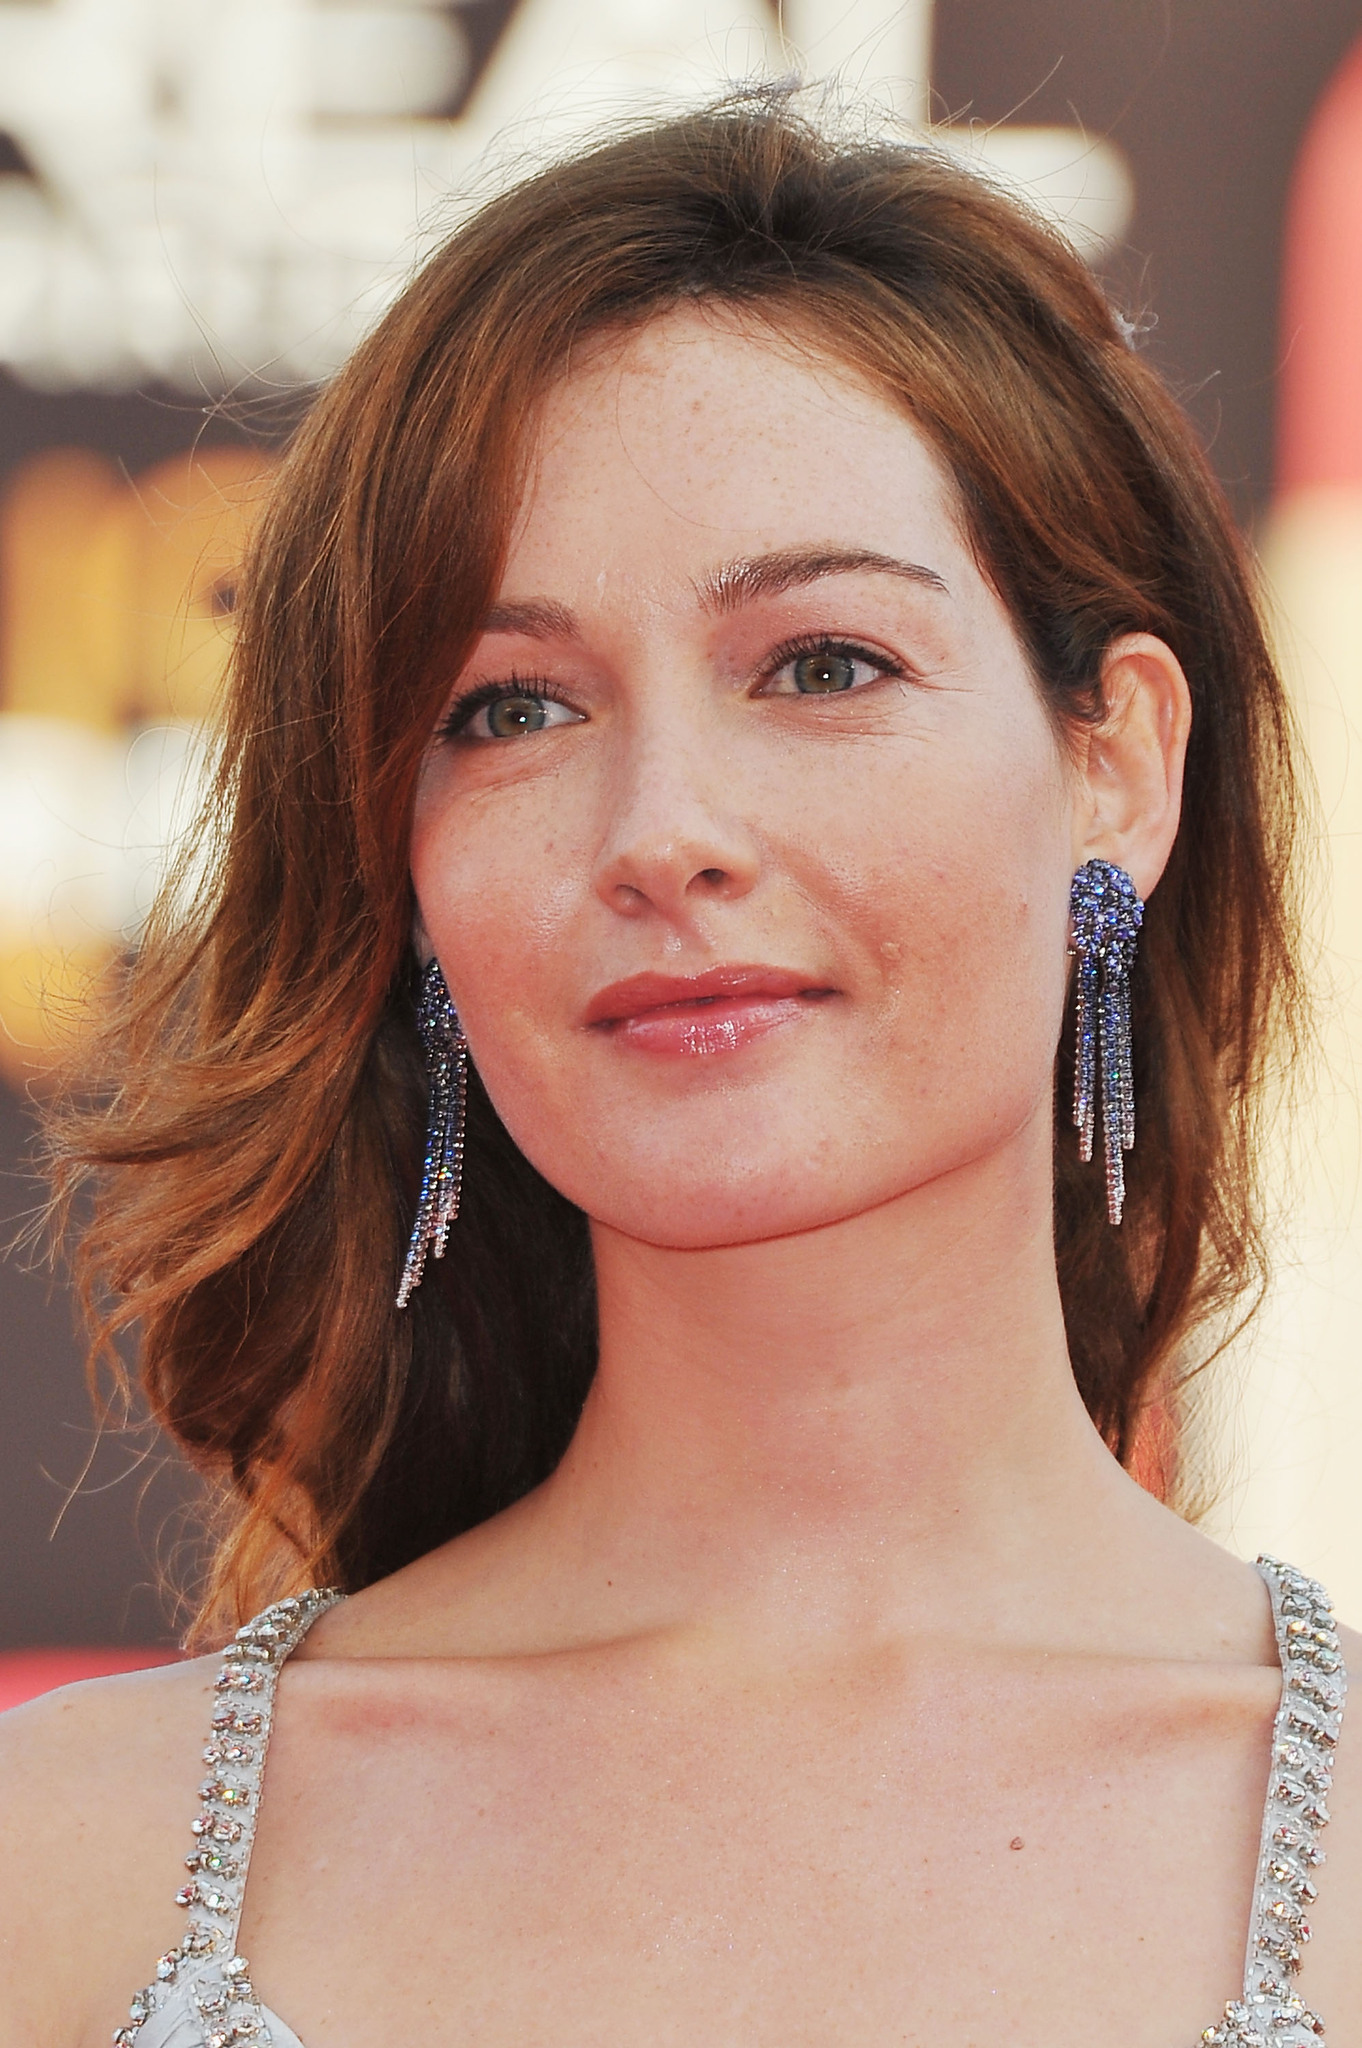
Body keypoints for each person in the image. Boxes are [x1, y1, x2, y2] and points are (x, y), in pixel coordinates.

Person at [0, 94, 1356, 2048]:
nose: (661, 834)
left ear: (1117, 764)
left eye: (822, 665)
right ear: (402, 863)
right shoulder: (74, 1869)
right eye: (510, 708)